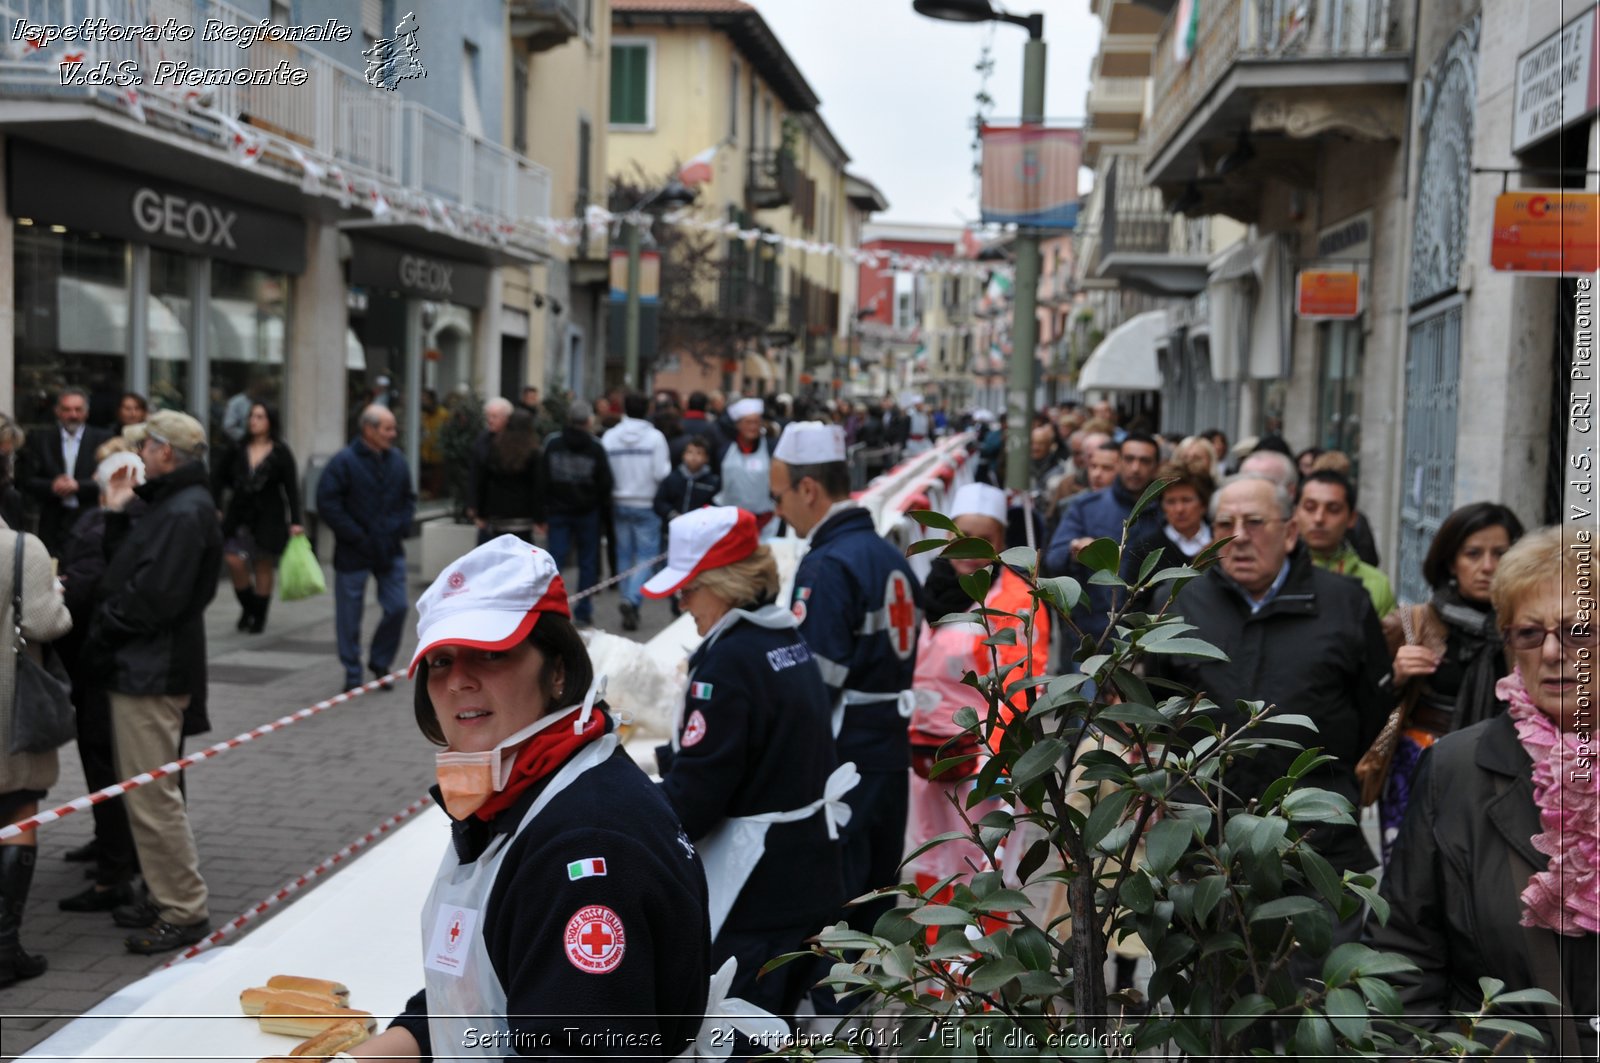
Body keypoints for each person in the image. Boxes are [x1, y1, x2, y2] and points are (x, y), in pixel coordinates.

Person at [355, 536, 713, 1060]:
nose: (458, 681)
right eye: (440, 660)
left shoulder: (584, 848)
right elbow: (471, 994)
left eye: (491, 653)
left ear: (559, 670)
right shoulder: (521, 792)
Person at [1369, 526, 1597, 1059]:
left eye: (1578, 630)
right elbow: (1405, 949)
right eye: (1528, 633)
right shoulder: (1455, 768)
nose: (1552, 652)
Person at [1155, 474, 1392, 974]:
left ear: (1288, 533)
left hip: (1316, 841)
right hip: (1210, 842)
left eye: (1254, 523)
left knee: (1319, 1000)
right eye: (1225, 524)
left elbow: (1370, 708)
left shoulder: (1344, 601)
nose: (1238, 536)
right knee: (1221, 1005)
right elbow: (1159, 711)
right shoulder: (1180, 601)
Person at [643, 507, 849, 1019]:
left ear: (727, 583)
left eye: (691, 588)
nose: (681, 601)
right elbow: (757, 744)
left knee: (737, 1037)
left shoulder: (731, 660)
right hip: (805, 874)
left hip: (757, 892)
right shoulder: (781, 638)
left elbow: (694, 801)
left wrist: (623, 804)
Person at [769, 421, 922, 1019]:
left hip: (844, 754)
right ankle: (872, 1013)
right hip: (888, 746)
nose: (778, 511)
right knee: (876, 897)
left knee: (835, 897)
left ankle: (837, 1024)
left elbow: (815, 682)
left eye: (779, 497)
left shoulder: (829, 565)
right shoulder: (887, 554)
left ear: (809, 490)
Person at [82, 411, 221, 953]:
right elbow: (130, 567)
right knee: (143, 791)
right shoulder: (169, 502)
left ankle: (183, 908)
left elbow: (153, 598)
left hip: (151, 670)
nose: (139, 452)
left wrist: (104, 626)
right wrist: (116, 514)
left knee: (151, 794)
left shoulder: (186, 510)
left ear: (166, 452)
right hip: (142, 665)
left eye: (146, 444)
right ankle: (164, 894)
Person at [906, 484, 1050, 900]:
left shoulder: (1015, 599)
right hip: (927, 757)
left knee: (982, 863)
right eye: (960, 537)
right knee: (930, 853)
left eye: (983, 540)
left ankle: (980, 959)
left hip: (982, 761)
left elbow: (1024, 681)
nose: (969, 549)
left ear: (1001, 544)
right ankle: (936, 954)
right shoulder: (928, 590)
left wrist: (1003, 764)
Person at [1373, 502, 1524, 862]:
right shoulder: (1410, 623)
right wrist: (1395, 676)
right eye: (1473, 553)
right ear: (1450, 560)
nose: (1487, 566)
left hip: (1504, 770)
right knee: (1413, 875)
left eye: (1500, 553)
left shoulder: (1528, 629)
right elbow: (1361, 703)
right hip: (1419, 768)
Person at [54, 446, 146, 913]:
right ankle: (111, 850)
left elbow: (93, 584)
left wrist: (58, 592)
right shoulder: (128, 519)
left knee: (104, 759)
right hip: (107, 661)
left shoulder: (113, 522)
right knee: (108, 763)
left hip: (102, 660)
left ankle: (116, 865)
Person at [0, 524, 72, 986]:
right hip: (7, 704)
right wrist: (58, 596)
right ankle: (4, 948)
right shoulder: (20, 547)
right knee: (18, 805)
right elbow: (44, 623)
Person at [316, 405, 416, 693]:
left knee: (398, 607)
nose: (393, 434)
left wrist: (399, 527)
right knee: (349, 616)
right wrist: (356, 535)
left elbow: (408, 499)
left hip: (390, 548)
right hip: (354, 550)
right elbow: (328, 503)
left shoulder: (397, 461)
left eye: (393, 428)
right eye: (387, 428)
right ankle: (352, 669)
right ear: (368, 430)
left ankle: (380, 661)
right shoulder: (344, 462)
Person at [1044, 433, 1163, 646]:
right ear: (1119, 462)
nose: (1136, 468)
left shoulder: (1167, 510)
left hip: (1147, 639)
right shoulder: (1087, 507)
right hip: (1092, 635)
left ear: (1156, 466)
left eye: (1144, 461)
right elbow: (1053, 558)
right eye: (1129, 459)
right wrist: (1076, 549)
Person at [211, 402, 304, 635]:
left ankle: (258, 616)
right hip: (239, 513)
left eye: (260, 416)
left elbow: (291, 488)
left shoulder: (281, 452)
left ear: (270, 421)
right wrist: (215, 506)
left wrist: (296, 521)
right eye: (252, 416)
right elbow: (217, 478)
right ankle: (249, 605)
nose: (254, 420)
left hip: (269, 515)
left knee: (262, 563)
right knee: (233, 559)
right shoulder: (237, 448)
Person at [602, 393, 670, 633]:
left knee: (623, 555)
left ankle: (626, 598)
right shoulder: (655, 438)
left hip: (618, 501)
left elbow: (604, 470)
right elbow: (661, 473)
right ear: (648, 409)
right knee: (646, 556)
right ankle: (631, 600)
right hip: (647, 502)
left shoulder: (610, 437)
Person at [542, 401, 612, 628]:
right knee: (588, 562)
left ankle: (550, 607)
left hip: (558, 510)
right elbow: (605, 483)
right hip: (587, 512)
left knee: (555, 560)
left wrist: (545, 507)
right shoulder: (596, 447)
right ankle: (583, 609)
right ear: (589, 421)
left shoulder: (553, 444)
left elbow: (543, 476)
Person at [19, 387, 111, 557]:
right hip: (53, 521)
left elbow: (110, 481)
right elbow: (27, 479)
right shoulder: (41, 439)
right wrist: (53, 486)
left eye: (78, 410)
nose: (73, 415)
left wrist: (79, 486)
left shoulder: (103, 439)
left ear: (87, 412)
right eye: (67, 409)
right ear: (57, 411)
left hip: (89, 517)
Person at [1294, 470, 1396, 618]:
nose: (1319, 518)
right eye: (1310, 507)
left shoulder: (1376, 584)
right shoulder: (1273, 575)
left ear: (1352, 518)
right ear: (1295, 513)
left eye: (1333, 509)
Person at [1125, 464, 1214, 588]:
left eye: (1186, 500)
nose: (1179, 509)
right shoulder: (1146, 549)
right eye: (1171, 501)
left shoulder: (1220, 540)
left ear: (1203, 504)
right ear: (1162, 506)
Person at [471, 409, 544, 547]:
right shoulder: (534, 452)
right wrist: (540, 519)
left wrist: (480, 513)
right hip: (523, 515)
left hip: (497, 514)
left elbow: (484, 481)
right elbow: (538, 488)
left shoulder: (495, 448)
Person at [711, 398, 775, 532]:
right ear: (738, 425)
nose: (753, 427)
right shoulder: (724, 450)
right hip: (731, 519)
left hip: (764, 520)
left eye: (756, 422)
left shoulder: (770, 449)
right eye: (748, 422)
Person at [653, 437, 720, 527]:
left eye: (699, 453)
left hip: (700, 528)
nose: (693, 457)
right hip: (673, 527)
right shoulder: (673, 478)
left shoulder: (712, 482)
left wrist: (701, 518)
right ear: (683, 455)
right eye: (690, 452)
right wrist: (672, 514)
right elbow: (660, 501)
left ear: (706, 458)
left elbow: (716, 507)